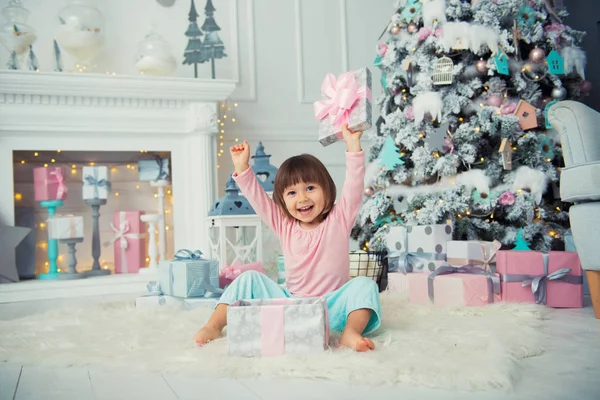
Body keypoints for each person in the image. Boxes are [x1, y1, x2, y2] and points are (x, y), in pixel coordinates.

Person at [193, 125, 381, 351]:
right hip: (291, 305)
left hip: (331, 308)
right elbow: (259, 199)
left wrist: (353, 148)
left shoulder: (339, 218)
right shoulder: (284, 224)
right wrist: (242, 167)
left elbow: (353, 186)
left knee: (364, 285)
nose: (302, 198)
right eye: (292, 193)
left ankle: (350, 332)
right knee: (248, 278)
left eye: (310, 188)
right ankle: (214, 325)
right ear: (282, 201)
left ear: (327, 190)